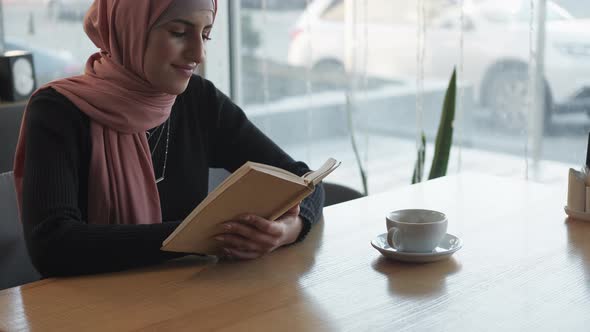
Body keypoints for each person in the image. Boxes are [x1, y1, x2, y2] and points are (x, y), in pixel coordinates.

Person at [13, 0, 324, 278]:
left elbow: (302, 179)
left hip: (184, 302)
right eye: (178, 32)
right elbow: (53, 245)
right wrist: (206, 235)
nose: (198, 54)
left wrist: (286, 230)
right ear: (130, 30)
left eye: (205, 35)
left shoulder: (198, 99)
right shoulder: (58, 110)